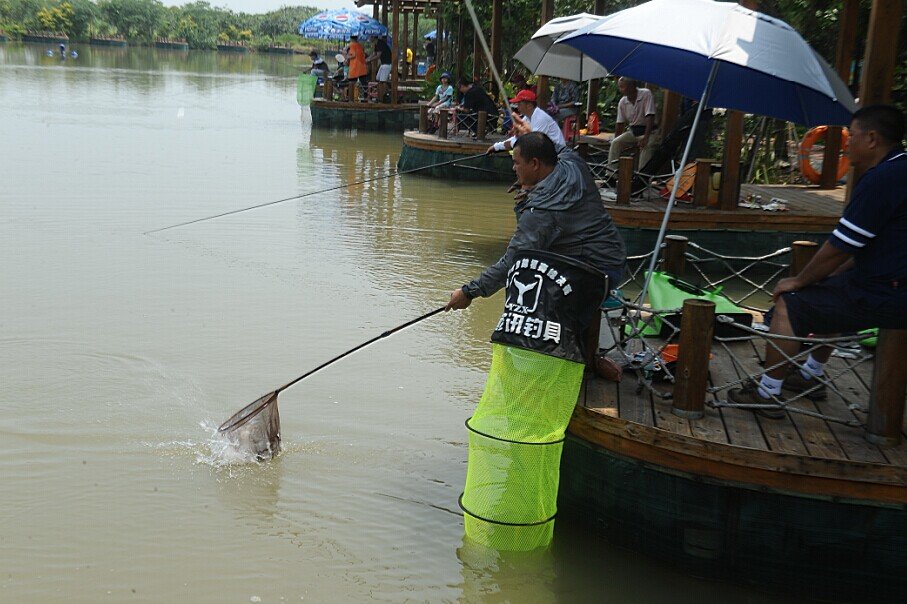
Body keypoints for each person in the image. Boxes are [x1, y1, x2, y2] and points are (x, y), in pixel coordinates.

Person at [727, 105, 907, 417]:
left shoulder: (882, 179)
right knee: (831, 286)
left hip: (888, 294)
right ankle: (810, 375)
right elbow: (876, 245)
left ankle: (767, 392)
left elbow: (839, 247)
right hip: (889, 282)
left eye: (852, 136)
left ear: (873, 139)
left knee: (791, 302)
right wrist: (824, 277)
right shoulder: (900, 169)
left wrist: (797, 281)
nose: (846, 144)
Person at [445, 120, 626, 314]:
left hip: (593, 274)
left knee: (527, 291)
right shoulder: (573, 163)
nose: (514, 169)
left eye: (516, 163)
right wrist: (530, 135)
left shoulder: (541, 212)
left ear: (534, 164)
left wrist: (469, 291)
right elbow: (551, 149)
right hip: (614, 257)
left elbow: (513, 260)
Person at [487, 89, 564, 154]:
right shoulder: (527, 117)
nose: (517, 107)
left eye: (519, 104)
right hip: (545, 152)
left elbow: (533, 143)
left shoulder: (541, 118)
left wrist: (508, 144)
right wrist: (496, 147)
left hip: (558, 154)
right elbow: (516, 138)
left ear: (529, 106)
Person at [608, 77, 659, 168]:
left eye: (623, 87)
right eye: (619, 87)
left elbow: (650, 116)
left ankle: (641, 176)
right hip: (634, 132)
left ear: (632, 86)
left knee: (647, 146)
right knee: (615, 143)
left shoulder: (646, 94)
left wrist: (646, 137)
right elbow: (620, 123)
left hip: (649, 131)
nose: (621, 90)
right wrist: (617, 138)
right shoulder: (622, 102)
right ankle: (611, 173)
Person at [345, 33, 368, 101]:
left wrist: (347, 57)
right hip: (362, 67)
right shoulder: (360, 46)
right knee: (364, 83)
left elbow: (353, 55)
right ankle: (366, 97)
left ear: (351, 38)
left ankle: (348, 97)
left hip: (355, 68)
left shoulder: (352, 45)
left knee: (351, 83)